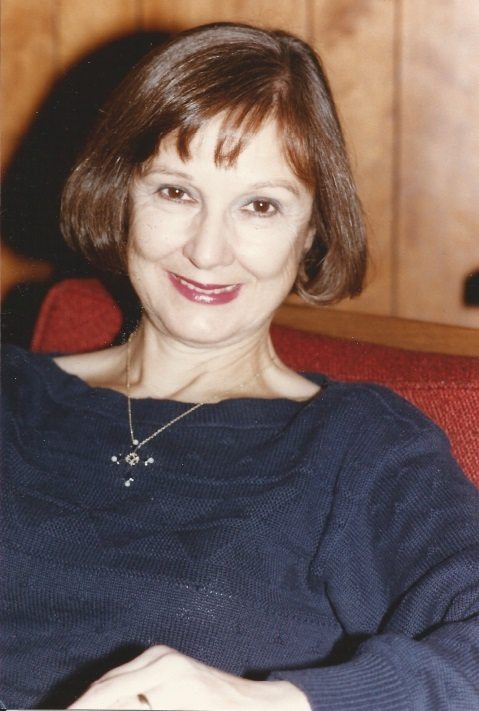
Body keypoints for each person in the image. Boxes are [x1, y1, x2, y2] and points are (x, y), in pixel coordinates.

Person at [1, 21, 478, 711]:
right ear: (121, 195)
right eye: (176, 192)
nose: (207, 250)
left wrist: (268, 703)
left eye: (259, 205)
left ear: (310, 231)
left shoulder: (357, 446)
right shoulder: (14, 394)